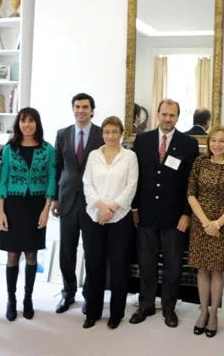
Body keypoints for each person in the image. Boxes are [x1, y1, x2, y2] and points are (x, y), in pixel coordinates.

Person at [129, 99, 199, 328]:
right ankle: (146, 304)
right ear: (158, 114)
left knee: (173, 266)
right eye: (164, 114)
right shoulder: (143, 140)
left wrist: (187, 214)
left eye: (172, 115)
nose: (168, 119)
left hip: (175, 217)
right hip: (147, 214)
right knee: (146, 264)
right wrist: (135, 207)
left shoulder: (188, 143)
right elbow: (136, 178)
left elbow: (192, 183)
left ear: (178, 117)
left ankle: (169, 308)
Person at [0, 107, 56, 321]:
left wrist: (46, 209)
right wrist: (1, 211)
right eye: (23, 120)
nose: (27, 124)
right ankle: (11, 298)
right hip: (13, 205)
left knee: (31, 255)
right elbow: (2, 181)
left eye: (31, 120)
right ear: (18, 124)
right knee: (13, 255)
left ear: (37, 124)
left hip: (36, 205)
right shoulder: (9, 149)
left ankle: (28, 298)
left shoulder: (47, 149)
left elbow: (51, 178)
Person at [82, 116, 138, 329]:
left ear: (121, 133)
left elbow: (131, 186)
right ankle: (93, 312)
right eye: (107, 131)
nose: (110, 136)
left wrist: (112, 208)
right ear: (102, 133)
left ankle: (116, 313)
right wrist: (100, 207)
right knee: (94, 266)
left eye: (115, 131)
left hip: (120, 219)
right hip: (95, 217)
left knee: (118, 268)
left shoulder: (129, 157)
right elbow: (87, 183)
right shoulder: (94, 156)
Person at [187, 126, 224, 338]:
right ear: (208, 143)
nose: (217, 144)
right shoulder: (199, 162)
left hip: (223, 225)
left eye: (222, 141)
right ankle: (202, 312)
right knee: (201, 269)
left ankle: (213, 316)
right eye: (213, 140)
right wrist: (204, 222)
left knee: (217, 269)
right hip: (200, 223)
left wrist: (217, 223)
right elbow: (191, 193)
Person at [52, 93, 104, 314]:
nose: (81, 110)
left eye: (85, 107)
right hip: (67, 200)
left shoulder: (102, 134)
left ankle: (89, 296)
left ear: (92, 110)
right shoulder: (62, 134)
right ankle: (68, 292)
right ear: (72, 109)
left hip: (92, 202)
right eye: (77, 107)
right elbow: (56, 166)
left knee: (92, 251)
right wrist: (54, 197)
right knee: (67, 251)